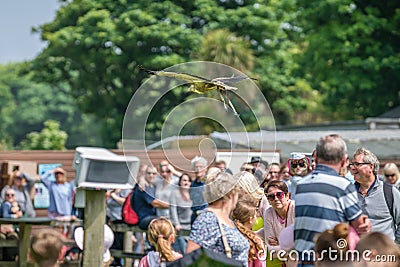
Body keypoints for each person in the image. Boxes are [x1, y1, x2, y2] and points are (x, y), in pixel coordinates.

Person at [294, 134, 370, 266]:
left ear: (316, 157)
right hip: (330, 260)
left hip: (303, 260)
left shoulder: (301, 185)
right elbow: (359, 226)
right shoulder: (344, 186)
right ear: (344, 160)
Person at [186, 170, 250, 266]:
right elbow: (191, 257)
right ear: (230, 194)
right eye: (237, 193)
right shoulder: (207, 219)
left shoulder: (226, 219)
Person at [350, 147, 400, 244]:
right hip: (357, 255)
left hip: (385, 255)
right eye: (352, 164)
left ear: (371, 167)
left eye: (357, 164)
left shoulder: (390, 192)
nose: (352, 168)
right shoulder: (348, 193)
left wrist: (395, 246)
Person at [132, 165, 169, 230]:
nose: (151, 175)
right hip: (144, 218)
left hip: (153, 217)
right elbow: (155, 203)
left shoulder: (153, 185)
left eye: (154, 173)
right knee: (162, 222)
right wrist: (172, 205)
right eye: (149, 173)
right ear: (145, 174)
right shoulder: (143, 187)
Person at [231, 200, 266, 267]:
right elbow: (260, 264)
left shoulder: (228, 235)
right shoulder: (255, 241)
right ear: (250, 219)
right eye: (255, 215)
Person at [105, 188, 130, 267]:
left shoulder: (126, 189)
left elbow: (126, 202)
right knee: (113, 245)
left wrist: (114, 196)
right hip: (111, 221)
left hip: (122, 220)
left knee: (121, 246)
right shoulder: (110, 190)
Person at [169, 173, 193, 254]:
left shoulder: (192, 194)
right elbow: (173, 209)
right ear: (180, 182)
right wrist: (176, 224)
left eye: (189, 181)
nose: (186, 183)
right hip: (180, 227)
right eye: (184, 180)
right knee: (183, 251)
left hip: (191, 227)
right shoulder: (175, 194)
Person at [189, 156, 208, 223]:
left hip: (206, 217)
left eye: (201, 167)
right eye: (196, 167)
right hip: (194, 217)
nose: (198, 169)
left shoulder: (209, 183)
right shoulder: (192, 184)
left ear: (206, 168)